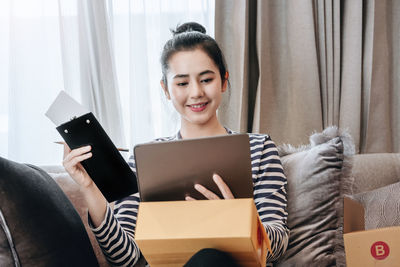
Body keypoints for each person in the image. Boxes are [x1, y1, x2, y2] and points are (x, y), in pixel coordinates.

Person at [63, 22, 289, 266]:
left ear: (224, 81)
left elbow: (277, 244)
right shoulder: (145, 160)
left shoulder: (259, 148)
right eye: (182, 83)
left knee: (210, 259)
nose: (195, 93)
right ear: (166, 89)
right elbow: (124, 258)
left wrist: (234, 218)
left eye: (206, 79)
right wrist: (88, 186)